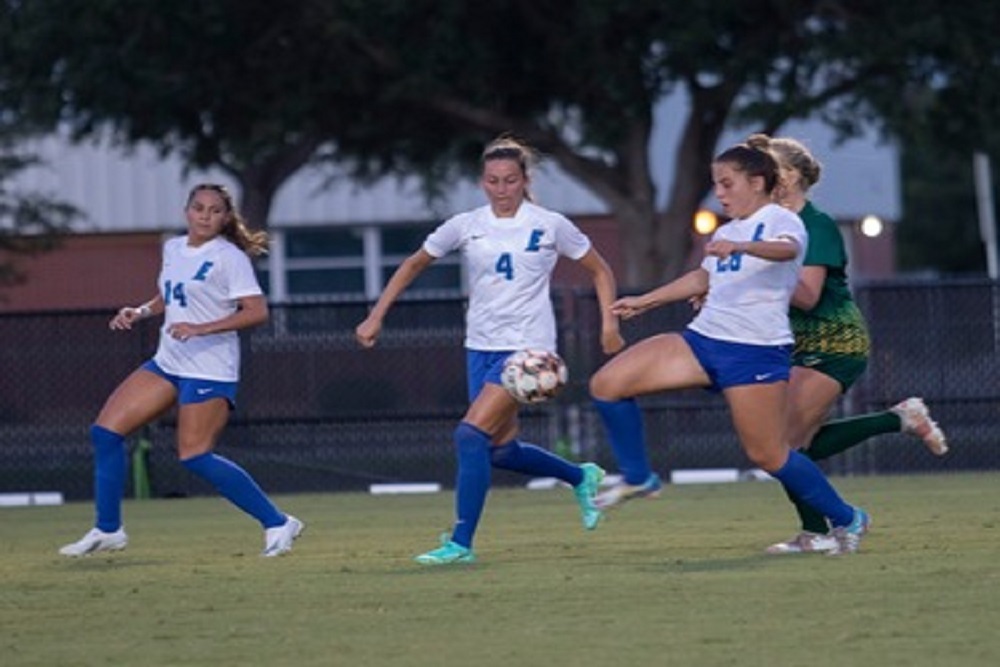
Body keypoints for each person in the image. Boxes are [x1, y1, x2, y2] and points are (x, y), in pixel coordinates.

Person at [589, 141, 870, 555]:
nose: (719, 193)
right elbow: (702, 278)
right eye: (715, 185)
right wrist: (645, 301)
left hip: (754, 351)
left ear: (757, 182)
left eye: (726, 183)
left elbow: (787, 250)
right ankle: (638, 475)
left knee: (770, 455)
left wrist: (741, 248)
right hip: (704, 339)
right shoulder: (726, 229)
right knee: (607, 384)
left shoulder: (782, 219)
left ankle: (848, 519)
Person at [355, 135, 624, 565]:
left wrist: (609, 323)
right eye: (493, 181)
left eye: (511, 180)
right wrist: (376, 315)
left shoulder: (549, 224)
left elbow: (600, 269)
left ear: (524, 181)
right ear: (483, 183)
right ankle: (580, 476)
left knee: (468, 434)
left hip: (528, 352)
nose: (502, 189)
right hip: (479, 345)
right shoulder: (466, 225)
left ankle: (460, 544)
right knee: (498, 450)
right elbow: (412, 265)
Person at [59, 183, 304, 558]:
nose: (206, 215)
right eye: (199, 208)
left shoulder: (228, 257)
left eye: (215, 210)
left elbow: (256, 311)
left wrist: (200, 328)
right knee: (105, 433)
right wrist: (140, 311)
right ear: (186, 211)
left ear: (225, 218)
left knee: (193, 455)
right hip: (169, 360)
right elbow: (172, 296)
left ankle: (277, 522)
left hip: (210, 368)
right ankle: (108, 529)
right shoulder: (173, 248)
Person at [744, 133, 948, 554]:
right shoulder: (769, 226)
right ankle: (899, 420)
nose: (762, 180)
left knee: (782, 445)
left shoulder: (815, 224)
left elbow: (807, 295)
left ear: (794, 177)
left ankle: (820, 533)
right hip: (799, 345)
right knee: (789, 445)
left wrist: (753, 269)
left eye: (771, 172)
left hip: (836, 341)